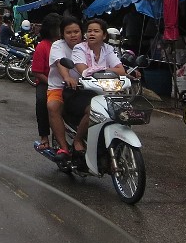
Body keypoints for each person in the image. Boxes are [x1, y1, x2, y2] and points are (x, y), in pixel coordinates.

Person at [68, 18, 127, 155]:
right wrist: (107, 69)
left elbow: (121, 70)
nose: (92, 34)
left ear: (104, 35)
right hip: (83, 91)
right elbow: (83, 70)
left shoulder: (108, 49)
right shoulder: (79, 48)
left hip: (106, 91)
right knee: (92, 110)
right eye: (89, 31)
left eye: (96, 31)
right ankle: (78, 139)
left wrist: (100, 70)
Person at [47, 16, 84, 159]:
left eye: (76, 31)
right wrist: (67, 77)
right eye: (69, 32)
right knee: (53, 107)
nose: (73, 35)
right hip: (59, 87)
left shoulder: (87, 46)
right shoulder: (58, 45)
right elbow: (60, 62)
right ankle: (64, 148)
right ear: (62, 34)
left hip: (84, 87)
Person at [30, 13, 62, 152]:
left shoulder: (65, 45)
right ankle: (44, 136)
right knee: (42, 101)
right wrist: (51, 82)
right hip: (46, 82)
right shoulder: (42, 46)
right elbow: (36, 71)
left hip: (64, 82)